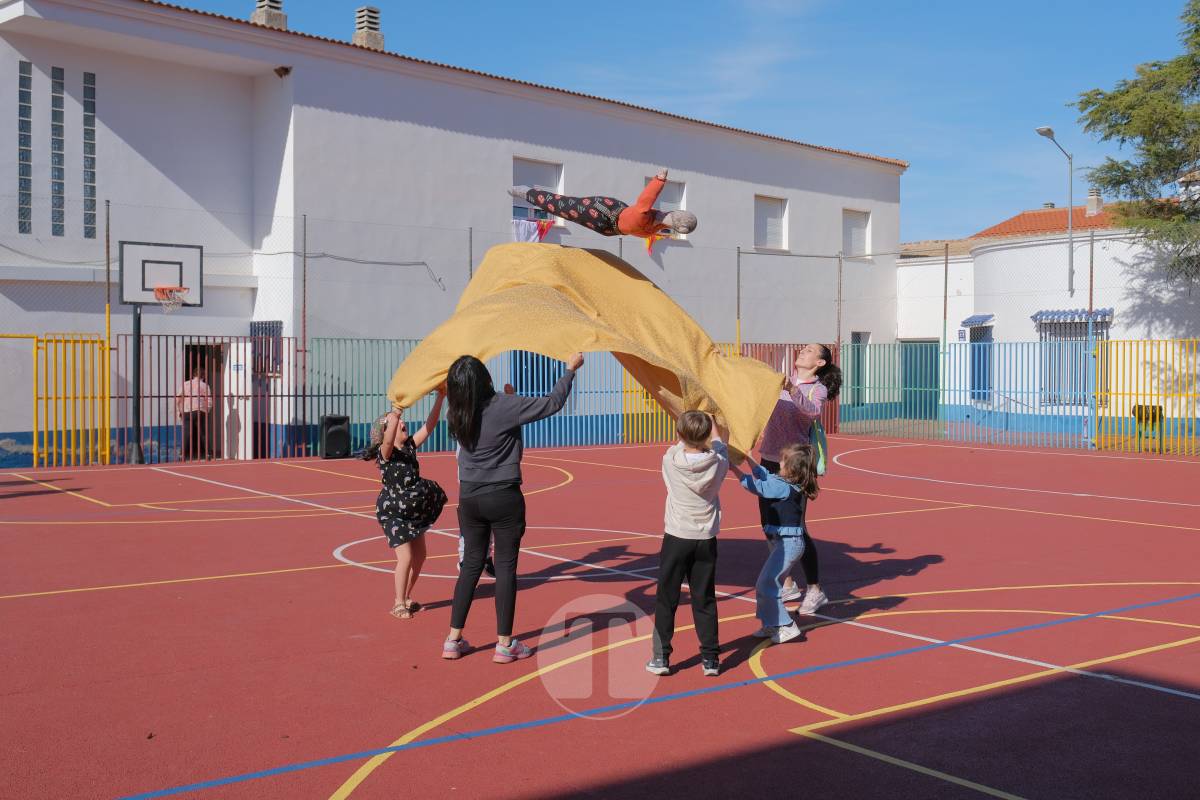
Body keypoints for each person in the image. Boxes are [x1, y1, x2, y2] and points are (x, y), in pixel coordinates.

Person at [442, 352, 584, 662]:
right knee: (505, 567)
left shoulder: (456, 413)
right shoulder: (503, 406)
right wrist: (570, 370)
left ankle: (453, 639)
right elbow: (552, 403)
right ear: (485, 380)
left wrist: (511, 401)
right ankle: (504, 644)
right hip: (503, 494)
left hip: (469, 496)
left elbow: (498, 428)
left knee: (470, 566)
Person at [757, 343, 842, 614]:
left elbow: (812, 412)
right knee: (770, 526)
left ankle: (815, 589)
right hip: (769, 458)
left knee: (796, 529)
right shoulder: (782, 381)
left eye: (808, 351)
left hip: (795, 464)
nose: (802, 352)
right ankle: (789, 582)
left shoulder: (816, 389)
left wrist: (793, 391)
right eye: (802, 349)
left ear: (819, 363)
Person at [646, 411, 729, 678]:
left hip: (677, 536)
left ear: (680, 435)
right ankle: (710, 659)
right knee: (704, 598)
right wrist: (712, 422)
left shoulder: (670, 460)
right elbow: (719, 444)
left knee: (666, 598)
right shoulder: (718, 462)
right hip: (704, 539)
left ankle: (661, 657)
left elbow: (681, 444)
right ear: (706, 436)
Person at [364, 390, 448, 619]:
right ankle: (398, 603)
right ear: (385, 432)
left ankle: (407, 595)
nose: (402, 423)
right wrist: (395, 412)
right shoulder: (386, 453)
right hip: (393, 512)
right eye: (397, 422)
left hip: (413, 509)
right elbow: (389, 438)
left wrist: (440, 398)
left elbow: (429, 426)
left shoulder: (409, 446)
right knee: (406, 557)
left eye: (401, 421)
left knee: (421, 556)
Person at [731, 444, 820, 644]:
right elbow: (764, 475)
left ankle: (786, 626)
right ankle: (770, 623)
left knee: (767, 584)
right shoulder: (785, 482)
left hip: (789, 545)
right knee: (765, 583)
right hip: (786, 544)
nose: (778, 462)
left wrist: (734, 469)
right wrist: (748, 458)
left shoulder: (781, 487)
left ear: (791, 469)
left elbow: (756, 486)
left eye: (783, 461)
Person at [509, 168, 698, 239]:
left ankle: (527, 193)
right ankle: (525, 192)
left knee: (560, 206)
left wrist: (659, 180)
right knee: (560, 205)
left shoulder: (650, 223)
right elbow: (646, 200)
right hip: (603, 212)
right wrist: (659, 180)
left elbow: (646, 202)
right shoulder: (648, 221)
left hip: (605, 216)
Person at [175, 365, 213, 461]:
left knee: (187, 433)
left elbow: (178, 398)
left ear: (193, 375)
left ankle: (182, 455)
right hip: (199, 410)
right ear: (203, 376)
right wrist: (206, 410)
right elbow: (209, 400)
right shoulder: (204, 385)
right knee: (203, 433)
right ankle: (208, 454)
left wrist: (179, 410)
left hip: (187, 411)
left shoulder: (186, 384)